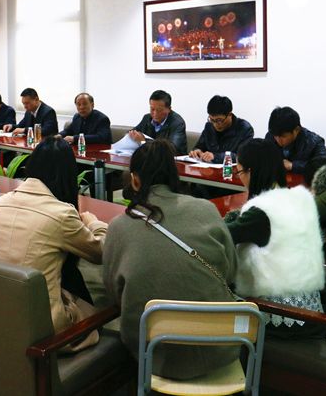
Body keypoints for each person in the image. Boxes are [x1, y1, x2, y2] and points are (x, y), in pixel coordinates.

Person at [102, 140, 239, 380]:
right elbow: (230, 273)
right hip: (219, 346)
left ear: (134, 180)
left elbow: (114, 292)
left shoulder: (118, 227)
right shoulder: (206, 209)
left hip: (153, 353)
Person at [0, 137, 106, 350]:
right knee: (99, 308)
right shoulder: (61, 214)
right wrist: (94, 223)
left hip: (2, 313)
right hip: (45, 329)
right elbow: (101, 253)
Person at [225, 138, 325, 336]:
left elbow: (221, 235)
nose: (239, 178)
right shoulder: (294, 198)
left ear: (251, 172)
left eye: (239, 171)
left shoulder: (262, 211)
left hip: (282, 316)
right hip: (310, 309)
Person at [190, 95, 254, 163]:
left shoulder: (244, 129)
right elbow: (200, 146)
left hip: (231, 169)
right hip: (208, 168)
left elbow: (242, 157)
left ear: (230, 115)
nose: (215, 124)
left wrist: (215, 157)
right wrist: (197, 151)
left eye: (219, 120)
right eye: (212, 120)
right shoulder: (209, 126)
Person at [265, 106, 326, 174]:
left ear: (296, 130)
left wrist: (293, 166)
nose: (278, 140)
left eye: (283, 136)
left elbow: (324, 167)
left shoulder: (314, 142)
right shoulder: (270, 136)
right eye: (275, 136)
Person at [129, 90, 187, 155]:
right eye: (152, 109)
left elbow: (172, 150)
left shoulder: (177, 123)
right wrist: (132, 135)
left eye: (159, 110)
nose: (155, 113)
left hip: (171, 159)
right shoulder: (147, 118)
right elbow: (131, 133)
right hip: (149, 157)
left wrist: (143, 142)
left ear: (169, 109)